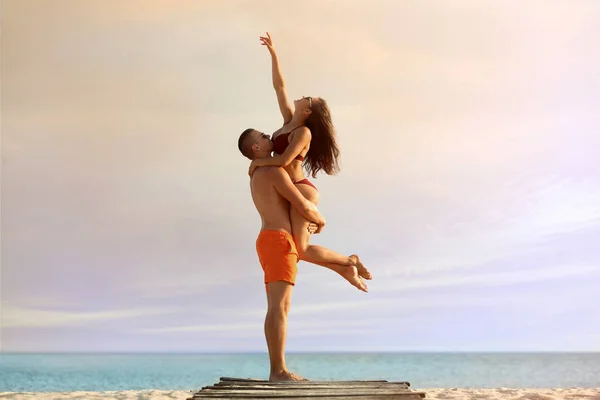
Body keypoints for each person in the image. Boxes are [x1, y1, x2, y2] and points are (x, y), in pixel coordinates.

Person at [247, 32, 372, 286]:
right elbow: (279, 87)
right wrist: (274, 54)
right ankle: (346, 269)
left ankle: (350, 261)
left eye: (306, 98)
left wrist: (259, 162)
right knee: (297, 250)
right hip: (291, 189)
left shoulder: (303, 132)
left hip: (302, 190)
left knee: (301, 250)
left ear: (306, 111)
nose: (301, 95)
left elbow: (283, 161)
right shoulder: (286, 125)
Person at [239, 128, 325, 381]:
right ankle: (278, 371)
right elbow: (301, 203)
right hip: (278, 241)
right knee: (279, 308)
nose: (268, 138)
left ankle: (278, 369)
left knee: (279, 307)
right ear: (256, 148)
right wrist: (320, 220)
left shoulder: (259, 172)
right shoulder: (273, 171)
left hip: (269, 240)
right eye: (263, 137)